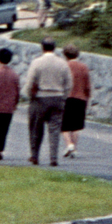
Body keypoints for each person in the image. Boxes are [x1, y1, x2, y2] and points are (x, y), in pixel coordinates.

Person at [22, 37, 72, 166]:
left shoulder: (37, 62)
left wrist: (29, 95)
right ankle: (53, 157)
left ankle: (34, 155)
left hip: (40, 98)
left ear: (42, 47)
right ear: (54, 48)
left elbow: (30, 81)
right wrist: (63, 96)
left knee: (36, 128)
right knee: (54, 129)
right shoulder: (62, 63)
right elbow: (69, 83)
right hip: (57, 97)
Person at [63, 44, 92, 158]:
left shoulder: (65, 66)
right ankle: (74, 148)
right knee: (76, 125)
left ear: (65, 55)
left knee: (64, 125)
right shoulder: (84, 67)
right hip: (80, 98)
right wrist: (87, 97)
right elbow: (87, 86)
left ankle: (69, 144)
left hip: (67, 98)